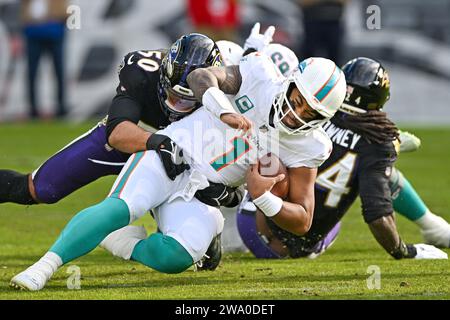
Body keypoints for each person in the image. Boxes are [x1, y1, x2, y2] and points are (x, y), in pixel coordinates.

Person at [10, 50, 347, 291]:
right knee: (125, 206)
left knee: (176, 256)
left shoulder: (311, 146)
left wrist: (262, 198)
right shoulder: (260, 76)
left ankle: (121, 242)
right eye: (298, 98)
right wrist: (223, 111)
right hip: (170, 153)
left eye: (310, 112)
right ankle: (45, 266)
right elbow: (202, 76)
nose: (296, 113)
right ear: (290, 83)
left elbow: (303, 219)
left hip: (202, 191)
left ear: (323, 120)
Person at [236, 57, 449, 260]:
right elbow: (377, 214)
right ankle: (432, 225)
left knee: (275, 164)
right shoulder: (376, 142)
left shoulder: (312, 114)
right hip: (292, 236)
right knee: (372, 172)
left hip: (252, 215)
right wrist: (404, 250)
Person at [0, 33, 226, 207]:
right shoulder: (142, 71)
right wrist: (161, 142)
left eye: (186, 101)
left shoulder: (227, 94)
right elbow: (117, 132)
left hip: (183, 157)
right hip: (130, 141)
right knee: (40, 188)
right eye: (172, 95)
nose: (176, 106)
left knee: (193, 216)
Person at [21, 0, 69, 118]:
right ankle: (33, 108)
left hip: (53, 32)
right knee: (32, 72)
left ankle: (61, 106)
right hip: (34, 33)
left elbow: (65, 11)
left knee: (58, 71)